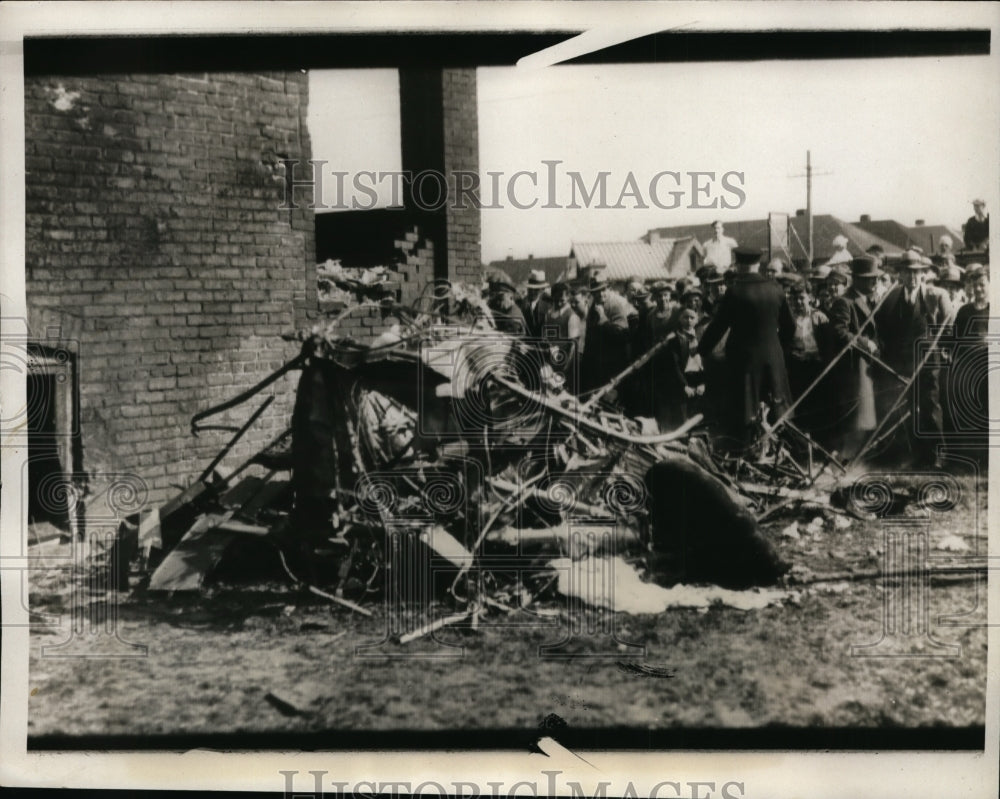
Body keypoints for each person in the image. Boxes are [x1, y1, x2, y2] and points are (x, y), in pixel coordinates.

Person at [698, 247, 794, 450]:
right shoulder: (775, 288)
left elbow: (718, 327)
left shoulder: (735, 291)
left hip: (744, 361)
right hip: (773, 359)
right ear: (758, 264)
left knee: (745, 410)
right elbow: (790, 326)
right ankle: (781, 451)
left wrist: (702, 350)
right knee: (776, 406)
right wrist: (778, 349)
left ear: (740, 265)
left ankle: (746, 453)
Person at [875, 250, 953, 468]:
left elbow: (949, 326)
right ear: (900, 274)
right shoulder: (892, 297)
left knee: (930, 406)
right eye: (907, 273)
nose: (912, 277)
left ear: (923, 274)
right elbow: (884, 328)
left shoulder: (935, 296)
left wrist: (942, 348)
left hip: (928, 362)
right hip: (905, 364)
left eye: (916, 273)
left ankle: (938, 454)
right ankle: (917, 453)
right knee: (910, 408)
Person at [827, 256, 882, 460]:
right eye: (870, 279)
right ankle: (845, 461)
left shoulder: (869, 299)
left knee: (864, 418)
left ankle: (854, 460)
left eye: (876, 279)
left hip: (866, 366)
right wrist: (864, 342)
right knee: (856, 418)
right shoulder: (845, 301)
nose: (875, 283)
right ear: (857, 280)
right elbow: (839, 331)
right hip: (853, 370)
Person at [946, 264, 990, 465]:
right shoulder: (964, 311)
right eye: (975, 285)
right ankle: (969, 457)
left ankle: (988, 457)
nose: (979, 289)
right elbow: (954, 341)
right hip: (966, 370)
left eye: (982, 285)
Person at [783, 282, 833, 442]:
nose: (798, 302)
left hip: (816, 369)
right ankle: (801, 444)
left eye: (802, 298)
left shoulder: (819, 318)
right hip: (796, 370)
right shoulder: (789, 320)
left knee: (817, 407)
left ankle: (818, 443)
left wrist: (814, 357)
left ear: (810, 298)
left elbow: (828, 348)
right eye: (795, 299)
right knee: (799, 407)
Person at [579, 273, 634, 398]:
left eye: (603, 290)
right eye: (596, 291)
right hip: (597, 366)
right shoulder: (594, 306)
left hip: (613, 365)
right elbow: (590, 336)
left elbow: (622, 336)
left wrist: (604, 320)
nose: (600, 294)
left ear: (608, 289)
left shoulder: (615, 306)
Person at [660, 308, 706, 431]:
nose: (689, 321)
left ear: (696, 320)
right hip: (682, 380)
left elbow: (704, 362)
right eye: (685, 317)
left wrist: (703, 383)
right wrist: (684, 385)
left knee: (698, 415)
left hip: (698, 379)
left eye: (692, 318)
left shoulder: (700, 336)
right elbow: (674, 365)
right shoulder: (676, 338)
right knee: (682, 417)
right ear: (680, 319)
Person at [542, 281, 584, 393]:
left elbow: (573, 346)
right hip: (550, 361)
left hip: (565, 364)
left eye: (562, 300)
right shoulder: (549, 314)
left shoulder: (572, 316)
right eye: (556, 300)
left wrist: (565, 369)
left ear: (568, 298)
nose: (559, 303)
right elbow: (546, 338)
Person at [520, 269, 552, 338]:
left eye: (536, 290)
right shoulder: (522, 305)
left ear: (542, 290)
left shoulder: (548, 306)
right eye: (530, 289)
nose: (532, 292)